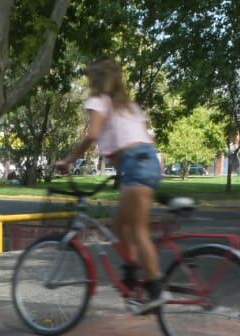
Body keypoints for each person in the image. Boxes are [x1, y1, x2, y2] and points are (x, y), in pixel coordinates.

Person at [57, 58, 165, 312]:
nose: (88, 82)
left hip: (135, 165)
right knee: (120, 226)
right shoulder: (129, 106)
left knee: (137, 230)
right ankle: (132, 278)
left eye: (90, 77)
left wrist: (69, 159)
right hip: (142, 163)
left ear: (96, 79)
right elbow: (141, 139)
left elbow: (93, 135)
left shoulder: (98, 101)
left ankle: (156, 289)